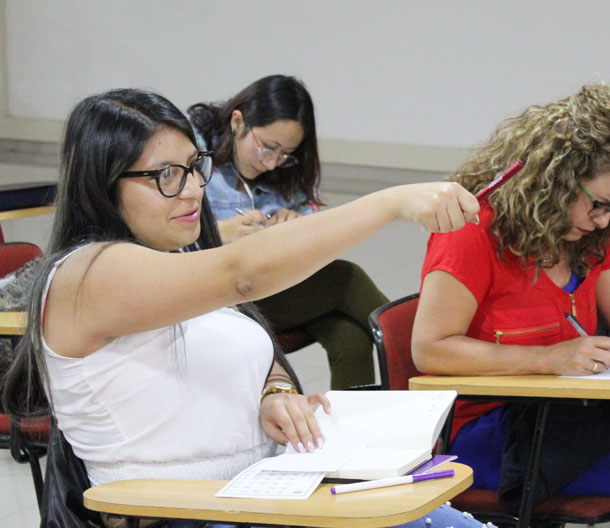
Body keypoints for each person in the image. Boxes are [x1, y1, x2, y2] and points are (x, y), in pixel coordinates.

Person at [0, 88, 484, 528]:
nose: (192, 189)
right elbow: (243, 273)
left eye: (194, 167)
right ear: (103, 184)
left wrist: (272, 392)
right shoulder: (88, 276)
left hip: (260, 494)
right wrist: (390, 203)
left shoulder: (174, 255)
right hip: (196, 515)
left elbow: (237, 339)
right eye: (166, 176)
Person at [412, 83, 610, 527]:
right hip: (491, 426)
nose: (605, 221)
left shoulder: (595, 231)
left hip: (571, 409)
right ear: (555, 179)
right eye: (599, 204)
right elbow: (430, 348)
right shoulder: (473, 229)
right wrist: (546, 359)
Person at [187, 75, 388, 390]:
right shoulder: (191, 154)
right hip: (217, 296)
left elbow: (318, 242)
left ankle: (349, 434)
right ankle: (419, 351)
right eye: (267, 148)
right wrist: (217, 232)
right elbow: (157, 237)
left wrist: (298, 226)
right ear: (237, 121)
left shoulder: (290, 168)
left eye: (285, 154)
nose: (272, 164)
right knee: (345, 279)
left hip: (273, 286)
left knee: (350, 337)